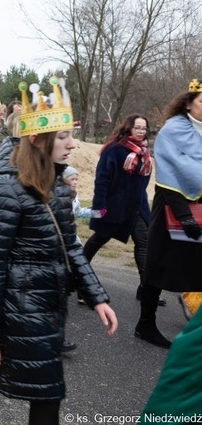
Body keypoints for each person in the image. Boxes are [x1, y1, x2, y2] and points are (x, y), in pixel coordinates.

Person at [0, 78, 118, 425]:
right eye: (62, 137)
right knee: (48, 393)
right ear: (36, 140)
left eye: (70, 134)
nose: (71, 144)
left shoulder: (59, 186)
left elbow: (71, 249)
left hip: (47, 308)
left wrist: (98, 297)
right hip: (17, 309)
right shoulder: (6, 189)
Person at [135, 79, 202, 348]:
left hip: (200, 207)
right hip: (171, 204)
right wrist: (183, 214)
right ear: (188, 103)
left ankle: (194, 316)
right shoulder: (173, 130)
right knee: (159, 268)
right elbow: (170, 172)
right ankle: (145, 324)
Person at [83, 114, 160, 306]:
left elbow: (143, 183)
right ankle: (78, 278)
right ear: (128, 128)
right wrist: (100, 207)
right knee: (99, 239)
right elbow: (102, 180)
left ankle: (146, 288)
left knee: (143, 242)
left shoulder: (144, 153)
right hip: (114, 206)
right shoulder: (114, 150)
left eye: (145, 128)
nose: (142, 131)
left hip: (137, 207)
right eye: (138, 127)